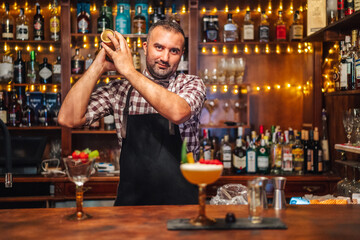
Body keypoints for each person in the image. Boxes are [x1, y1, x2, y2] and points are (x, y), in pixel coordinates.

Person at [58, 20, 206, 206]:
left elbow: (178, 113)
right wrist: (99, 66)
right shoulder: (119, 89)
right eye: (158, 47)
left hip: (182, 206)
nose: (165, 58)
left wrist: (128, 70)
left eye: (174, 51)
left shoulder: (190, 84)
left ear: (181, 54)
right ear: (145, 47)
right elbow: (67, 118)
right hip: (131, 207)